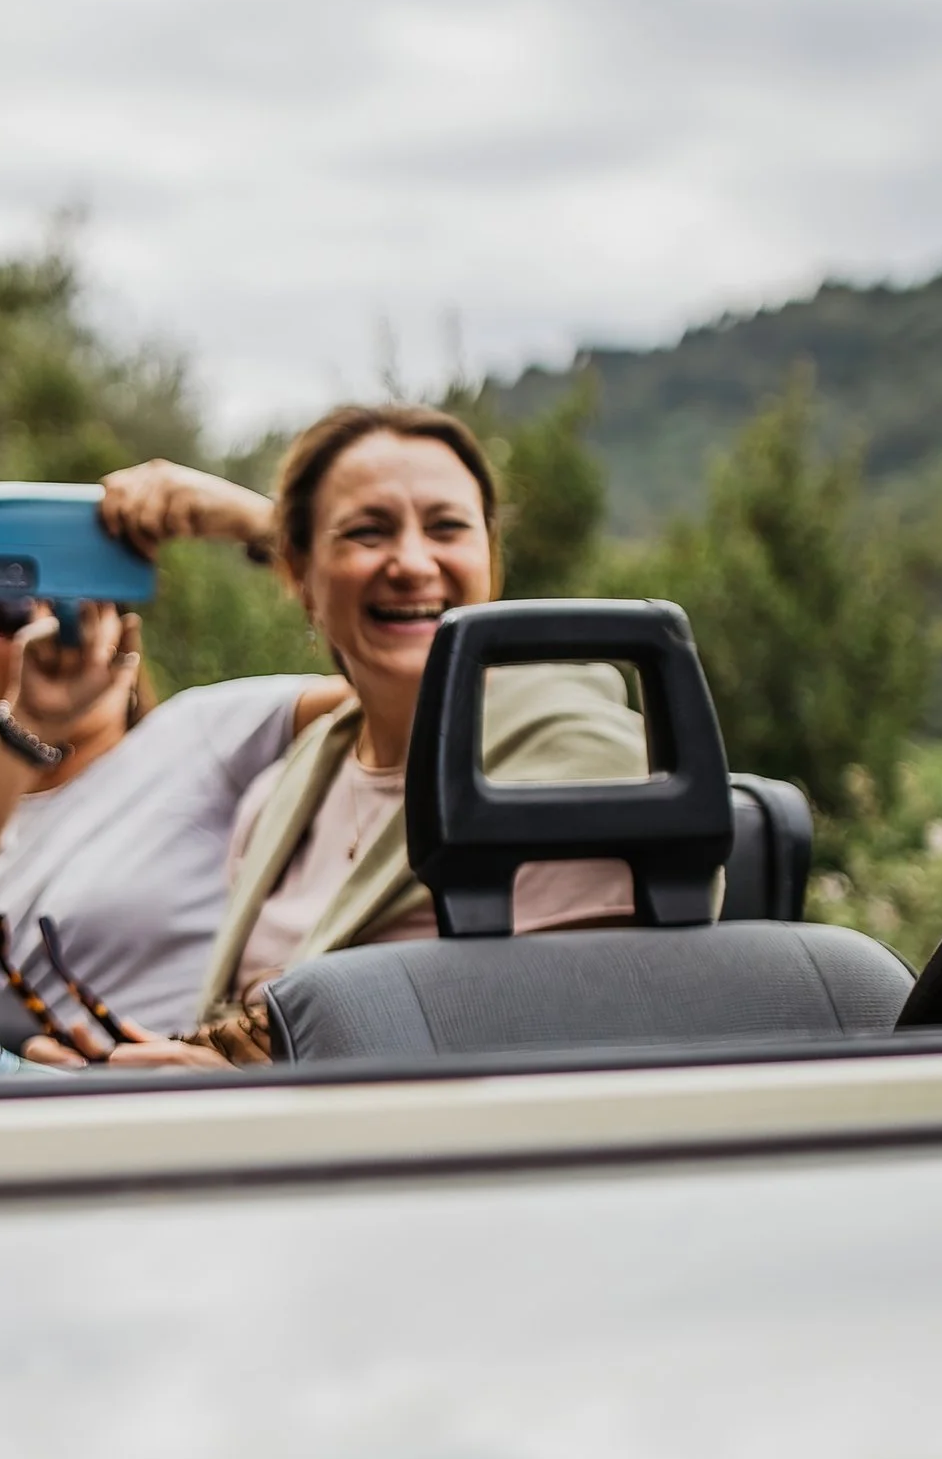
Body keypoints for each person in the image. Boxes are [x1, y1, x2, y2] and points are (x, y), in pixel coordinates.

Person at [91, 406, 643, 1064]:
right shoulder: (278, 800)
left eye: (447, 527)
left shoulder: (580, 766)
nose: (413, 563)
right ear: (298, 576)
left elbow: (580, 1027)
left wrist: (245, 1085)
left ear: (490, 559)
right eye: (367, 532)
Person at [0, 573, 345, 1045]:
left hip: (172, 1103)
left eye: (70, 606)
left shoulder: (196, 735)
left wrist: (267, 532)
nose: (40, 630)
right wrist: (25, 727)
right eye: (4, 610)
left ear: (123, 633)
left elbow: (398, 701)